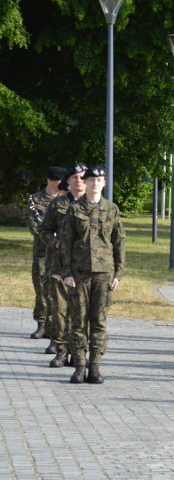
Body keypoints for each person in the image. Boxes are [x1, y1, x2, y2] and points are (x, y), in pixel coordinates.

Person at [59, 165, 125, 384]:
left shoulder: (112, 209)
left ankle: (95, 366)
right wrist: (66, 273)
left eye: (99, 180)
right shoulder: (74, 209)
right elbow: (66, 243)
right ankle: (79, 366)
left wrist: (118, 273)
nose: (95, 183)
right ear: (85, 183)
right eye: (91, 180)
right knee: (78, 322)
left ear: (104, 183)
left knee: (99, 322)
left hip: (104, 274)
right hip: (79, 274)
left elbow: (119, 243)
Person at [39, 163, 87, 367]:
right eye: (74, 177)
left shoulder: (94, 204)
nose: (79, 181)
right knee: (59, 311)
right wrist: (54, 242)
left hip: (85, 267)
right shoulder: (57, 204)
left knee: (82, 312)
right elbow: (44, 230)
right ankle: (60, 351)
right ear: (68, 181)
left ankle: (78, 352)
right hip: (59, 265)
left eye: (82, 177)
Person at [25, 165, 65, 341]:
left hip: (62, 252)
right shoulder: (35, 200)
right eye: (58, 180)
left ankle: (54, 325)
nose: (61, 183)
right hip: (43, 252)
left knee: (59, 290)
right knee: (42, 288)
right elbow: (33, 225)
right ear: (50, 180)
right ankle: (42, 324)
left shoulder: (67, 200)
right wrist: (51, 240)